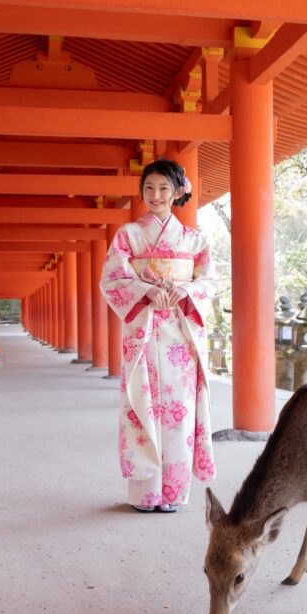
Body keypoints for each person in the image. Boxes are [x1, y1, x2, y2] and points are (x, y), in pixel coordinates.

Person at [99, 158, 217, 513]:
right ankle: (145, 493)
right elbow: (112, 278)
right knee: (143, 405)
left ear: (178, 192)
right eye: (149, 188)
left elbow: (209, 281)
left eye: (164, 188)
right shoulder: (128, 235)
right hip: (145, 329)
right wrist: (147, 290)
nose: (156, 195)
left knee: (179, 411)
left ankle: (174, 492)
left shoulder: (195, 239)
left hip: (180, 333)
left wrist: (185, 291)